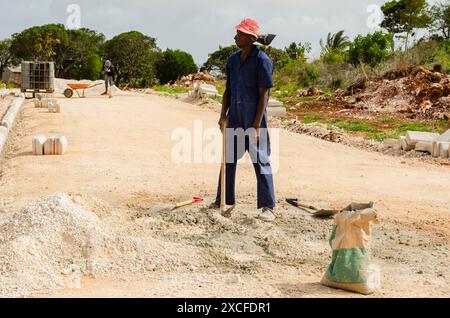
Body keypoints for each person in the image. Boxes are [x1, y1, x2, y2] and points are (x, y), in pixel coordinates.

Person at [211, 18, 276, 222]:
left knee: (260, 161)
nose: (235, 37)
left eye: (240, 34)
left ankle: (268, 207)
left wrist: (256, 125)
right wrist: (223, 115)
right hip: (235, 117)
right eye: (237, 33)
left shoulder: (262, 60)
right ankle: (223, 200)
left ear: (251, 38)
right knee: (228, 160)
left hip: (254, 120)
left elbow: (264, 94)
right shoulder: (232, 61)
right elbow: (228, 90)